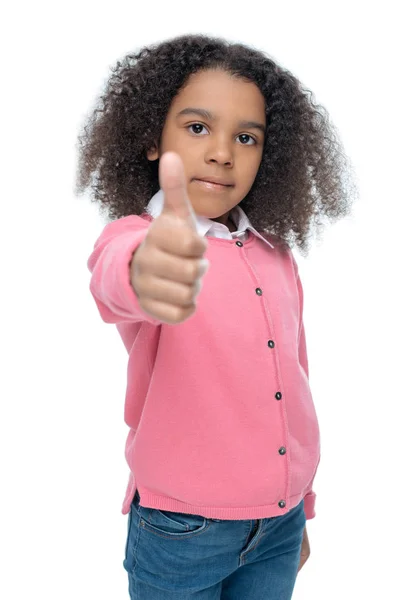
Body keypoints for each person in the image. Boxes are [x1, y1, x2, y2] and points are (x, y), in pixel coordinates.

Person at [75, 33, 357, 600]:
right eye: (198, 127)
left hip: (278, 524)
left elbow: (294, 381)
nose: (222, 151)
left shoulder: (274, 251)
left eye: (246, 137)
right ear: (153, 139)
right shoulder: (140, 240)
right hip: (184, 532)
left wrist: (300, 506)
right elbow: (115, 278)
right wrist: (144, 270)